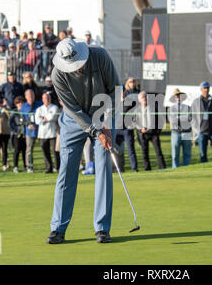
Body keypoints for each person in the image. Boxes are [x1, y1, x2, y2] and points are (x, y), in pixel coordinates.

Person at [47, 37, 120, 244]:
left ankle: (102, 228)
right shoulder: (57, 74)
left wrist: (106, 121)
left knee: (104, 167)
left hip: (102, 115)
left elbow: (115, 89)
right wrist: (95, 131)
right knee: (67, 171)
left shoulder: (100, 56)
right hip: (73, 122)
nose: (78, 69)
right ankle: (58, 228)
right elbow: (73, 109)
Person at [135, 91, 166, 171]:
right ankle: (147, 169)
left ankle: (162, 168)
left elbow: (161, 119)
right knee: (145, 153)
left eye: (145, 97)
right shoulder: (137, 110)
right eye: (142, 97)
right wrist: (140, 129)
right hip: (143, 134)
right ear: (139, 100)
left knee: (158, 152)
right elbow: (134, 121)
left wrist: (158, 130)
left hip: (153, 133)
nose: (144, 99)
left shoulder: (154, 107)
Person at [192, 82, 212, 162]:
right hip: (202, 132)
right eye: (204, 88)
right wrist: (197, 129)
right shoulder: (196, 101)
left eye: (207, 88)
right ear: (201, 89)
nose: (206, 90)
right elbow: (192, 117)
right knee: (203, 155)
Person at [35, 92, 60, 174]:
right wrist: (46, 118)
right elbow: (37, 121)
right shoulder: (39, 109)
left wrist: (44, 118)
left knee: (55, 151)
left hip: (53, 133)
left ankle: (58, 167)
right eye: (45, 98)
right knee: (45, 152)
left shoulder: (55, 107)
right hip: (42, 134)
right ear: (42, 99)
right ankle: (49, 168)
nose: (47, 99)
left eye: (48, 98)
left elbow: (52, 117)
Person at [20, 89, 43, 173]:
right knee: (29, 149)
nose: (31, 97)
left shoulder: (39, 104)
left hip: (40, 130)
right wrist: (27, 124)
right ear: (26, 97)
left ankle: (49, 166)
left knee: (44, 148)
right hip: (29, 131)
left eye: (32, 95)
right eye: (29, 95)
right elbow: (21, 118)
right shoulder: (24, 106)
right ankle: (29, 166)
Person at [169, 88, 192, 168]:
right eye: (176, 96)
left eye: (179, 96)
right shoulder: (171, 109)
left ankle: (186, 169)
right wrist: (183, 117)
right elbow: (172, 121)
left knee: (187, 154)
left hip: (187, 133)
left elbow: (189, 119)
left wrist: (178, 117)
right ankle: (175, 170)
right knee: (175, 155)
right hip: (176, 133)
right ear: (174, 98)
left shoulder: (188, 108)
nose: (178, 98)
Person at [122, 77, 139, 172]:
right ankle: (118, 168)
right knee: (117, 150)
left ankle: (134, 169)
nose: (132, 83)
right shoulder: (117, 100)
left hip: (128, 127)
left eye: (133, 81)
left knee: (130, 150)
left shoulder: (133, 98)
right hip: (118, 128)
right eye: (130, 82)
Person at [9, 96, 27, 173]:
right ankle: (15, 166)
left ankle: (25, 166)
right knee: (17, 150)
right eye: (18, 103)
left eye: (21, 102)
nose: (20, 104)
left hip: (25, 134)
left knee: (25, 151)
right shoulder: (14, 112)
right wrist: (15, 130)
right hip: (17, 133)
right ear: (16, 104)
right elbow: (10, 123)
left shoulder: (25, 111)